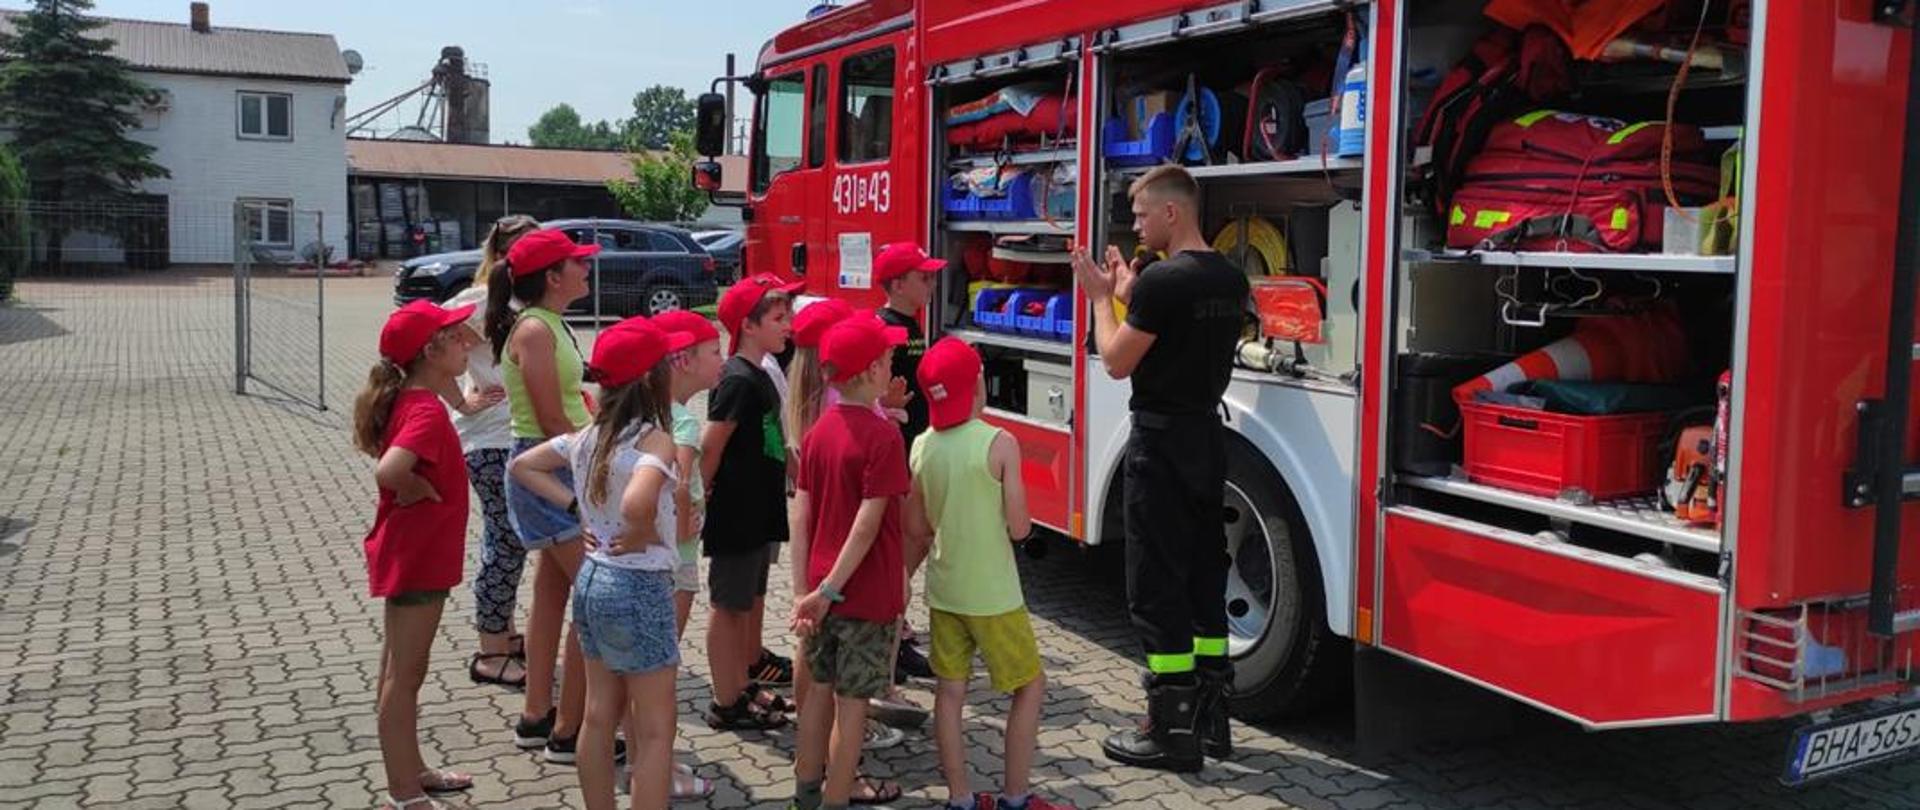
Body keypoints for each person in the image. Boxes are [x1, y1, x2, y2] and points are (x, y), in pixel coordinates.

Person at [1071, 164, 1249, 773]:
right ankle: (1212, 720)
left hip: (1160, 447)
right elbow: (1172, 321)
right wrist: (1126, 287)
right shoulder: (1230, 277)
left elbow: (1118, 361)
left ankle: (1170, 731)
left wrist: (1101, 299)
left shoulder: (1163, 283)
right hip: (1206, 440)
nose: (1138, 225)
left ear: (1172, 212)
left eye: (1143, 215)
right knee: (1205, 575)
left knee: (1155, 587)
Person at [509, 317, 714, 809]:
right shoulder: (655, 441)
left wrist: (574, 507)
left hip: (593, 578)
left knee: (598, 715)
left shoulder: (588, 435)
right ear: (652, 379)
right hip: (639, 586)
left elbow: (522, 466)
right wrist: (641, 527)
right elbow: (638, 504)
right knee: (656, 726)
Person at [906, 337, 1067, 810]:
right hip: (994, 596)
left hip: (945, 589)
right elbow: (1019, 528)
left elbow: (915, 527)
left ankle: (960, 798)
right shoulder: (999, 442)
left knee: (950, 692)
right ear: (978, 385)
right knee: (1030, 685)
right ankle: (1016, 795)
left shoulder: (921, 445)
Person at [489, 227, 622, 765]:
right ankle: (568, 731)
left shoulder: (548, 324)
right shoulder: (535, 331)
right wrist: (599, 458)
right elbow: (548, 418)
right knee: (595, 594)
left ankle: (536, 713)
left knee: (552, 595)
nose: (586, 271)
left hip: (557, 459)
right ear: (552, 277)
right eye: (577, 264)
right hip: (550, 467)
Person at [353, 300, 483, 809]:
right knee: (404, 678)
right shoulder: (425, 410)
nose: (467, 343)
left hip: (416, 554)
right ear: (431, 350)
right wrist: (411, 488)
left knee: (399, 673)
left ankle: (413, 770)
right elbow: (388, 471)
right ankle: (404, 793)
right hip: (416, 558)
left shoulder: (413, 397)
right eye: (456, 337)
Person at [789, 312, 912, 810]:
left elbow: (801, 515)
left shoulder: (818, 432)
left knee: (817, 694)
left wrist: (806, 589)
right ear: (868, 373)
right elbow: (869, 523)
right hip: (861, 595)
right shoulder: (884, 438)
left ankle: (805, 793)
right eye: (886, 361)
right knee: (853, 706)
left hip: (820, 593)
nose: (891, 368)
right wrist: (832, 588)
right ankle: (837, 798)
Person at [438, 214, 538, 688]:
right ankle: (490, 649)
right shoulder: (483, 301)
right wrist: (461, 398)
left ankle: (503, 632)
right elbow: (428, 342)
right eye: (525, 249)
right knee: (505, 541)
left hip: (510, 436)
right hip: (490, 440)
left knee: (510, 540)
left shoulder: (519, 300)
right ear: (501, 256)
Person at [703, 273, 802, 730]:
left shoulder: (759, 373)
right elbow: (713, 443)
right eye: (780, 318)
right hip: (737, 511)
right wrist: (699, 499)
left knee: (748, 599)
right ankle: (726, 700)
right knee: (729, 605)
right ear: (748, 325)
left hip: (759, 508)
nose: (789, 326)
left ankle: (742, 681)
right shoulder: (737, 380)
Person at [872, 244, 941, 685]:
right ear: (898, 284)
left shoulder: (910, 323)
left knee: (916, 535)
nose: (932, 284)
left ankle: (894, 622)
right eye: (924, 277)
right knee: (907, 537)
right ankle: (888, 627)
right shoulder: (884, 328)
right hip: (896, 451)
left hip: (913, 447)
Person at [651, 310, 727, 637]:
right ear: (684, 361)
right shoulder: (683, 421)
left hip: (651, 546)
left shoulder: (649, 408)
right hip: (677, 553)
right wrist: (683, 527)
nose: (722, 359)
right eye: (715, 352)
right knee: (665, 645)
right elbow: (679, 483)